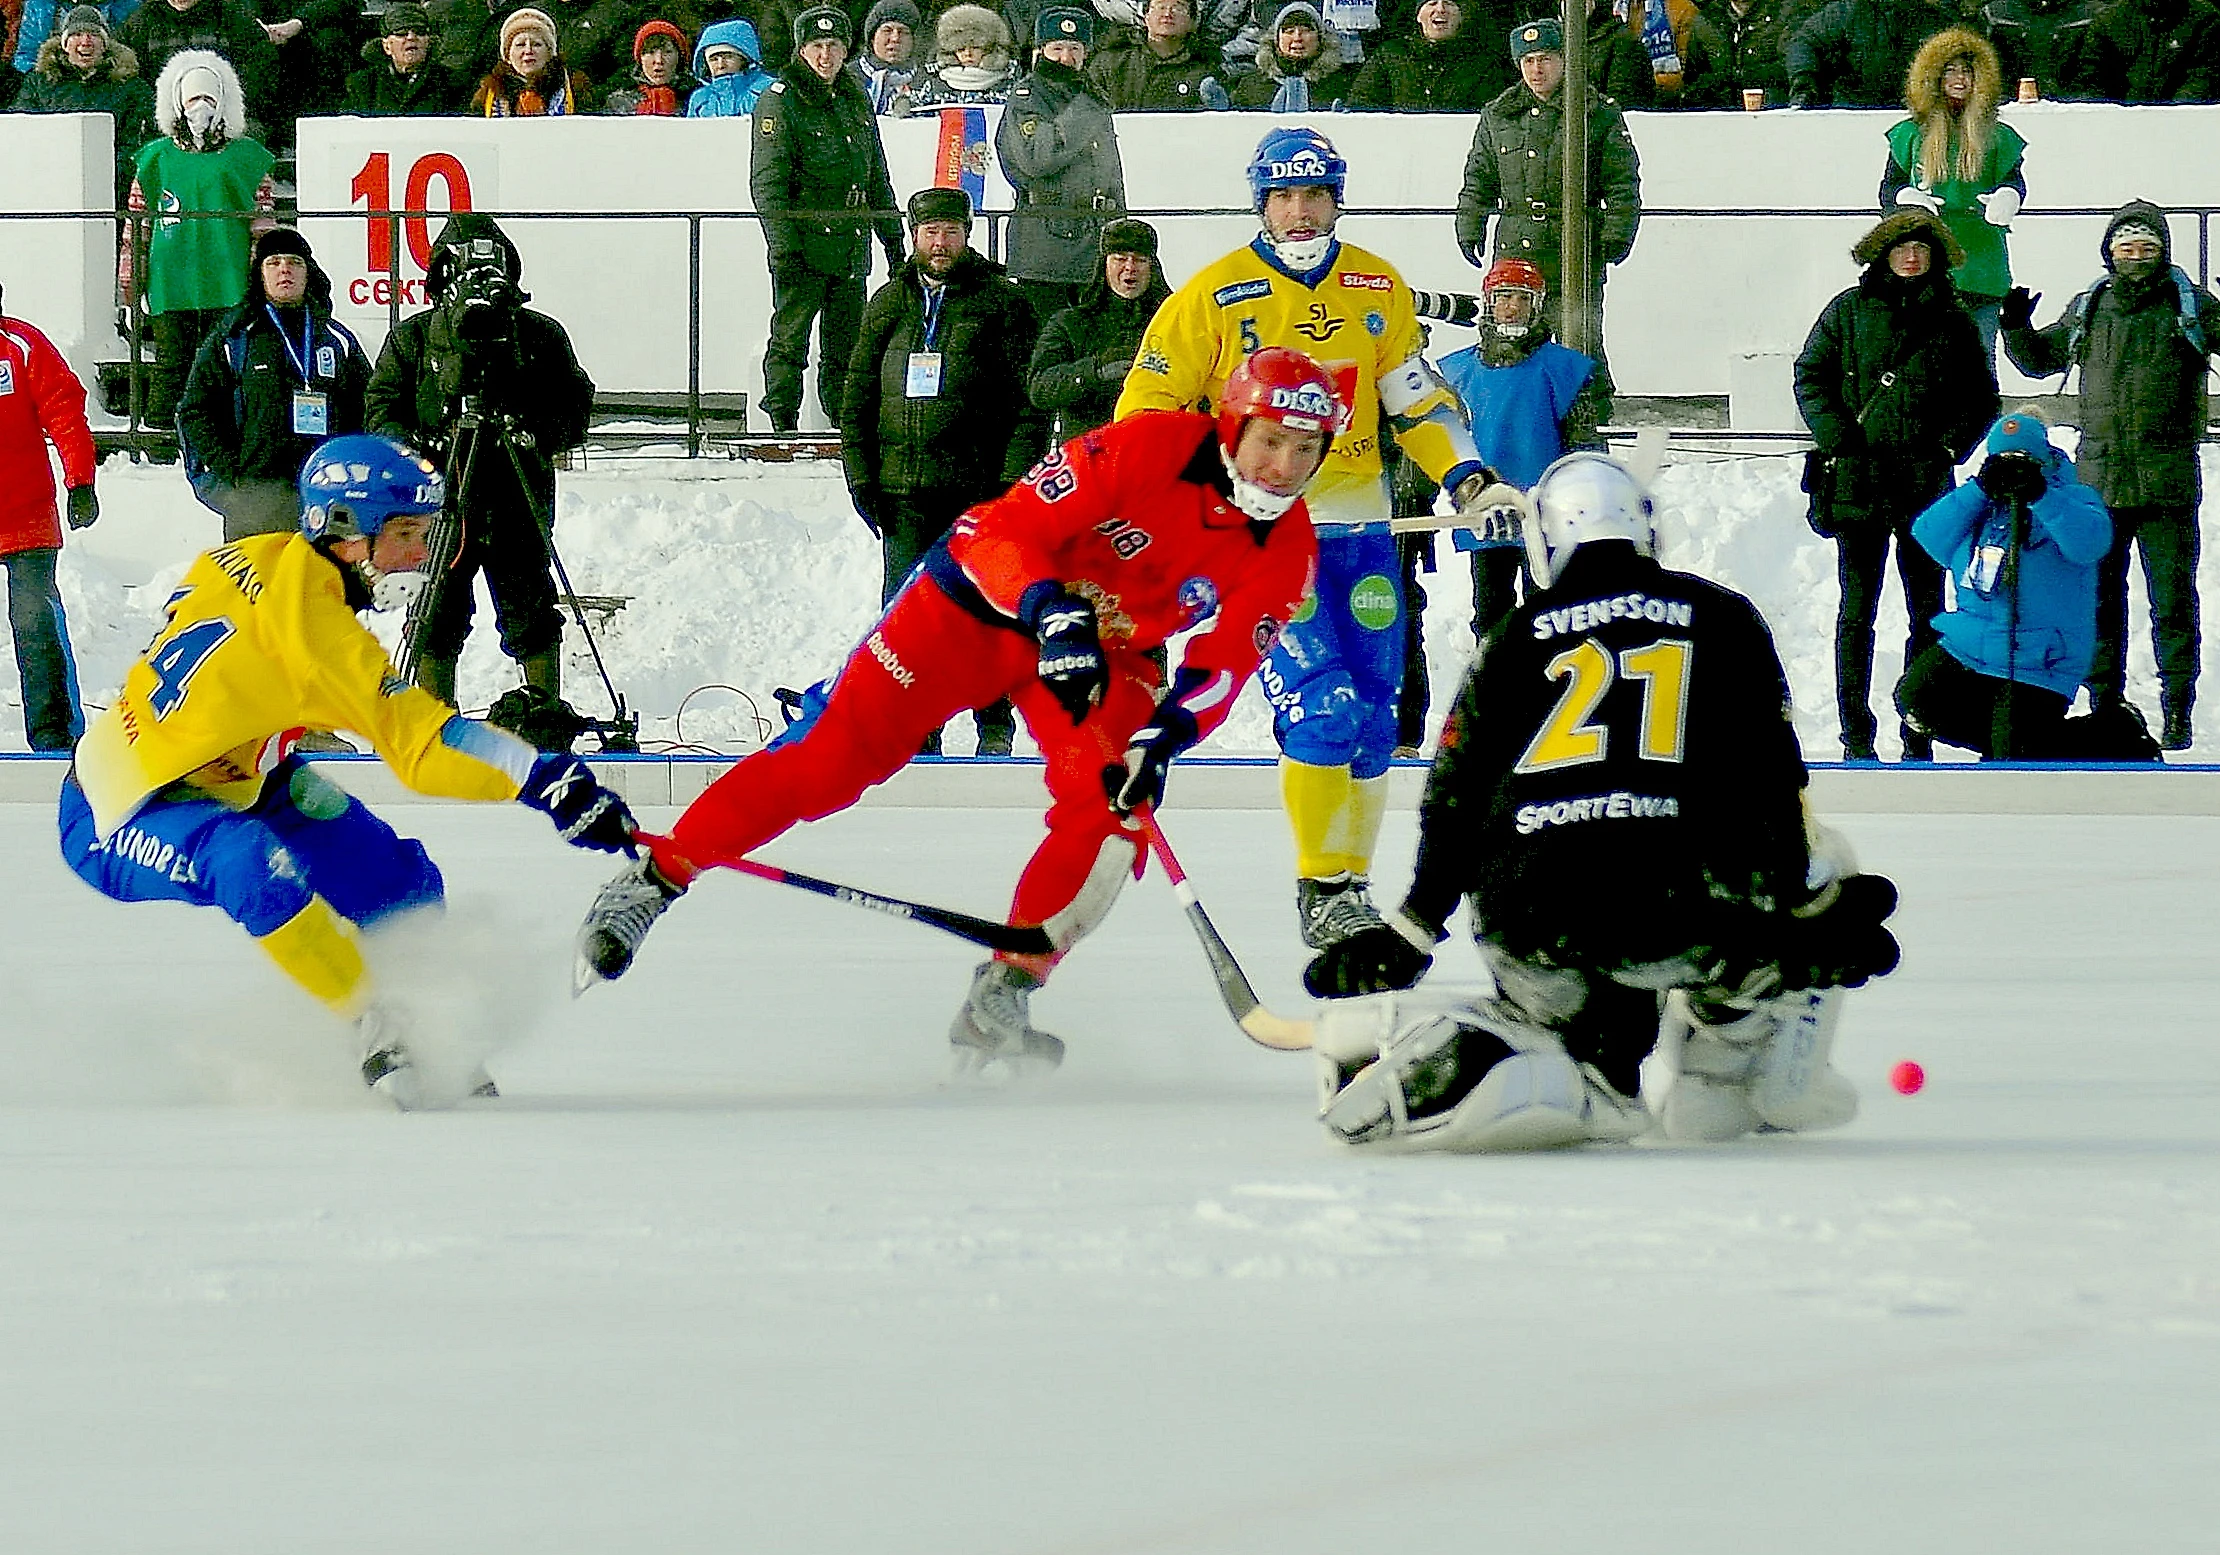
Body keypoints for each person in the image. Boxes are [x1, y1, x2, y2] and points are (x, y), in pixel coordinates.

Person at [574, 351, 1346, 1075]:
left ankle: (1005, 990)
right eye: (1271, 441)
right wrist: (1048, 610)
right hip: (981, 601)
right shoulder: (1149, 445)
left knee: (1113, 812)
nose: (1284, 467)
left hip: (1106, 653)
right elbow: (1007, 527)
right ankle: (655, 876)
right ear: (1232, 426)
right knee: (833, 759)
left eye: (1305, 450)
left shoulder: (1288, 548)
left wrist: (1168, 733)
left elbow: (1224, 664)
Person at [1300, 453, 1901, 1152]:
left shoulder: (1511, 637)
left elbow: (1452, 801)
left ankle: (1561, 1064)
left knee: (1598, 1065)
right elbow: (1771, 784)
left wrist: (1412, 927)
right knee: (1829, 861)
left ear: (1545, 542)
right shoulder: (1724, 617)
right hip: (1680, 910)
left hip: (1530, 917)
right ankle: (1733, 1069)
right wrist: (1789, 916)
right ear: (1647, 530)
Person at [58, 434, 640, 1109]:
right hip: (120, 810)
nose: (421, 554)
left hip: (246, 780)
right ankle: (373, 1023)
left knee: (398, 880)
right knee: (253, 864)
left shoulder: (257, 553)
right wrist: (547, 781)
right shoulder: (319, 637)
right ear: (343, 530)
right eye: (404, 533)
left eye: (425, 532)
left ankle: (423, 1019)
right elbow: (426, 747)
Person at [1117, 127, 1529, 949]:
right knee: (1323, 707)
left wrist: (1470, 476)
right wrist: (1200, 497)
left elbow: (1416, 401)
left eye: (1313, 195)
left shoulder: (1376, 285)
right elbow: (1145, 415)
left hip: (1364, 539)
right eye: (1281, 196)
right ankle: (1318, 890)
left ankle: (1346, 887)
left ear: (1336, 198)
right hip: (1268, 547)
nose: (1298, 211)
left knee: (1376, 717)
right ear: (1260, 202)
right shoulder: (1212, 292)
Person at [2001, 199, 2220, 750]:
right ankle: (2106, 703)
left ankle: (2178, 706)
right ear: (2109, 251)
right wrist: (2016, 328)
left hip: (2167, 481)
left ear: (2163, 252)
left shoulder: (2188, 304)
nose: (2136, 256)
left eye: (2147, 247)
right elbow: (2040, 360)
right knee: (2100, 602)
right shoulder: (2090, 306)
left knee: (2173, 600)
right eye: (2126, 246)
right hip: (2098, 484)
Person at [839, 185, 1046, 756]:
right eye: (930, 232)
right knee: (907, 620)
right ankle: (916, 727)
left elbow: (1029, 404)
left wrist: (1009, 487)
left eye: (951, 231)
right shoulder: (889, 302)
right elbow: (855, 395)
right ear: (913, 236)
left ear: (967, 234)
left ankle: (992, 726)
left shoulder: (1001, 302)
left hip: (977, 494)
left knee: (984, 613)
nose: (941, 242)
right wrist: (861, 475)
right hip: (903, 491)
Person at [364, 215, 595, 709]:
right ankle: (432, 722)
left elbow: (575, 405)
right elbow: (381, 409)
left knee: (531, 609)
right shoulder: (415, 338)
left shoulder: (538, 335)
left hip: (516, 493)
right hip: (441, 501)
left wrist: (531, 426)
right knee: (437, 611)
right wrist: (419, 449)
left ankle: (541, 717)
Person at [1793, 208, 1997, 763]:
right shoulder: (1849, 310)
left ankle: (1918, 732)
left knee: (1926, 612)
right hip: (1858, 483)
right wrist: (1838, 437)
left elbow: (1983, 398)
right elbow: (1810, 372)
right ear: (1882, 253)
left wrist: (1949, 448)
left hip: (1925, 490)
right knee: (1856, 614)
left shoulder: (1953, 320)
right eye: (1902, 247)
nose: (1911, 257)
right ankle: (1855, 735)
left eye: (1921, 249)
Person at [1896, 410, 2115, 760]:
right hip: (1973, 645)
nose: (2014, 469)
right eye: (2003, 460)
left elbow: (2091, 543)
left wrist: (2042, 496)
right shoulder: (1982, 507)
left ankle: (2110, 735)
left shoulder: (2075, 497)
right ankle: (2023, 744)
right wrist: (1979, 489)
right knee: (1916, 701)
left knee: (2010, 757)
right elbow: (1928, 535)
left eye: (2024, 460)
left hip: (2038, 658)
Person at [1456, 18, 1642, 378]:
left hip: (1572, 247)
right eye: (1528, 61)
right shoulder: (1499, 115)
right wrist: (1469, 223)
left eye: (1545, 58)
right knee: (1510, 341)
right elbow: (1478, 179)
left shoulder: (1596, 113)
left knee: (1581, 345)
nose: (1537, 69)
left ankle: (1588, 425)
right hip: (1515, 245)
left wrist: (1616, 234)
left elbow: (1622, 183)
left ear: (1564, 60)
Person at [1434, 258, 1607, 638]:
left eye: (1521, 298)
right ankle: (1494, 688)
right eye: (1502, 297)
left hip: (1546, 518)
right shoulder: (1459, 372)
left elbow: (1586, 451)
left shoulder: (1562, 370)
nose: (1511, 306)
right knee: (1490, 615)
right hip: (1484, 512)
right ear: (1488, 302)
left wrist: (1582, 501)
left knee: (1549, 616)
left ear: (1537, 305)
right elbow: (1441, 443)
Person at [751, 3, 901, 432]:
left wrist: (893, 240)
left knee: (846, 343)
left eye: (833, 45)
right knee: (790, 338)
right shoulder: (781, 101)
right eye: (816, 46)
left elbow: (875, 173)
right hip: (804, 241)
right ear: (801, 50)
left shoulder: (853, 97)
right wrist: (784, 245)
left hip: (850, 241)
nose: (825, 56)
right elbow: (769, 184)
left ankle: (842, 421)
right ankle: (782, 418)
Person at [178, 227, 371, 549]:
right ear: (260, 274)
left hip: (327, 497)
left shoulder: (337, 340)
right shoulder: (234, 337)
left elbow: (367, 408)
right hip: (255, 498)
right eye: (274, 262)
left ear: (309, 273)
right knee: (256, 594)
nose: (285, 269)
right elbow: (194, 411)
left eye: (295, 262)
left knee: (321, 594)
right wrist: (231, 478)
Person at [122, 48, 277, 431]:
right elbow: (137, 226)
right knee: (172, 362)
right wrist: (130, 277)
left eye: (209, 98)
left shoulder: (247, 158)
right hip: (171, 279)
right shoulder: (154, 158)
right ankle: (161, 432)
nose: (201, 107)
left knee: (224, 361)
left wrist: (263, 277)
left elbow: (264, 225)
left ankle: (219, 432)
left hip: (228, 277)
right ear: (177, 103)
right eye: (193, 98)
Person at [1879, 27, 2024, 364]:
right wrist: (1906, 201)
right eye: (1950, 70)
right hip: (1922, 263)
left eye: (1966, 71)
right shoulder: (1910, 134)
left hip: (1981, 264)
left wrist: (2009, 196)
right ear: (1934, 76)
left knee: (1978, 358)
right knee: (1921, 360)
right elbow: (1889, 190)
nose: (1959, 79)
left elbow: (2014, 181)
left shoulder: (1998, 136)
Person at [0, 283, 99, 754]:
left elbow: (63, 410)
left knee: (36, 625)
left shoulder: (21, 345)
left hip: (26, 522)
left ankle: (55, 739)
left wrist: (80, 481)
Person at [997, 6, 1124, 325]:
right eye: (1057, 48)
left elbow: (1109, 173)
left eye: (1075, 48)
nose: (1066, 58)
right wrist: (1085, 110)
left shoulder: (1088, 94)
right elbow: (1038, 158)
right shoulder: (1028, 96)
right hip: (1048, 247)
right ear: (1040, 51)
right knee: (1050, 345)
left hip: (1095, 242)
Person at [1026, 216, 1168, 446]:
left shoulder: (1173, 321)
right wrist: (1094, 371)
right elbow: (1040, 388)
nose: (1130, 268)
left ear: (1153, 267)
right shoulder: (1070, 322)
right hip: (1088, 455)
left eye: (1140, 260)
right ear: (1104, 264)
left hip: (1153, 449)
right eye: (1120, 259)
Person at [11, 6, 152, 205]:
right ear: (65, 44)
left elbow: (137, 142)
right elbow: (21, 131)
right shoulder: (38, 83)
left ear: (105, 44)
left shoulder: (130, 87)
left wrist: (104, 173)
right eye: (77, 34)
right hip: (51, 187)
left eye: (93, 35)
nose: (85, 42)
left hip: (113, 190)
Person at [116, 0, 280, 145]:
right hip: (162, 121)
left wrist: (224, 108)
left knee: (250, 135)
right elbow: (132, 77)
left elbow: (259, 68)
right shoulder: (140, 22)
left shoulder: (233, 17)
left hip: (226, 116)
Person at [1785, 0, 1970, 107]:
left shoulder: (1934, 16)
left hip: (1916, 114)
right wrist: (1804, 81)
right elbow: (1805, 42)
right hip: (1851, 112)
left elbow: (1966, 54)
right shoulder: (1848, 11)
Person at [1346, 0, 1510, 111]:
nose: (1440, 9)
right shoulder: (1390, 55)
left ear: (1460, 17)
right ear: (1419, 15)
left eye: (1448, 3)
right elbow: (1361, 103)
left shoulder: (1483, 62)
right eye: (1431, 3)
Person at [2073, 0, 2220, 104]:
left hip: (2184, 125)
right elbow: (2091, 83)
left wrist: (2170, 119)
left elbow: (2204, 78)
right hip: (2120, 125)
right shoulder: (2109, 22)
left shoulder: (2204, 18)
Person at [1085, 0, 1224, 109]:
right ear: (1145, 16)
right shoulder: (1111, 62)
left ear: (1192, 21)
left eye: (1178, 8)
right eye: (1160, 6)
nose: (1167, 14)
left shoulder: (1207, 68)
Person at [342, 1, 470, 112]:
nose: (411, 37)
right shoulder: (362, 85)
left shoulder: (452, 83)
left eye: (419, 32)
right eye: (401, 32)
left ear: (429, 42)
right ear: (387, 46)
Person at [1226, 0, 1357, 109]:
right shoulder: (1250, 86)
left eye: (1306, 31)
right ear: (1276, 40)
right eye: (1288, 31)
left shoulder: (1342, 85)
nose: (1297, 38)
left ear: (1320, 39)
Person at [470, 5, 592, 113]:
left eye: (536, 44)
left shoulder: (575, 87)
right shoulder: (489, 92)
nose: (528, 50)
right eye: (520, 45)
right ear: (508, 55)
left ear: (550, 52)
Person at [1977, 0, 2100, 101]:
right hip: (2009, 110)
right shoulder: (1995, 14)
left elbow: (2097, 76)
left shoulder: (2092, 15)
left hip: (2078, 110)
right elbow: (1985, 71)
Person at [899, 3, 1014, 110]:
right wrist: (903, 104)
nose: (967, 54)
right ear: (950, 51)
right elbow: (914, 105)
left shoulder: (1008, 83)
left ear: (990, 48)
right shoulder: (934, 83)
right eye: (960, 49)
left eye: (975, 47)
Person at [684, 14, 771, 113]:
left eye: (728, 57)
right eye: (714, 59)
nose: (721, 65)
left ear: (744, 58)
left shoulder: (766, 90)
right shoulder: (700, 99)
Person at [604, 16, 686, 112]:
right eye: (650, 52)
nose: (659, 60)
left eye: (667, 52)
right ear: (640, 59)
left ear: (679, 57)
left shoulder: (695, 100)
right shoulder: (619, 102)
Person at [852, 0, 917, 113]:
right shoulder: (850, 78)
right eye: (887, 30)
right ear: (872, 38)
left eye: (903, 32)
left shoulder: (927, 80)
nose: (895, 38)